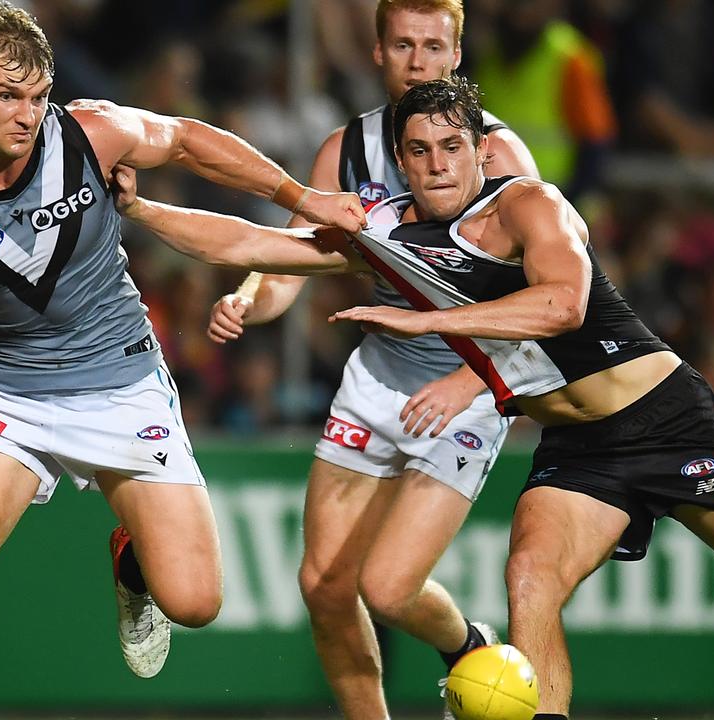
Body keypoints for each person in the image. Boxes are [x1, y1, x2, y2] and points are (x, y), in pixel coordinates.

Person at [111, 74, 714, 719]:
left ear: (481, 150)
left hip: (663, 417)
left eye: (454, 148)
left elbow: (565, 305)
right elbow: (253, 241)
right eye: (420, 152)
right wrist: (143, 211)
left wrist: (433, 337)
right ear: (400, 161)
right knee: (530, 584)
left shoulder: (529, 206)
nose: (439, 165)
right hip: (576, 448)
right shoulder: (393, 233)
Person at [0, 4, 364, 719]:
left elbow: (191, 142)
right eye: (7, 96)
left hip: (122, 380)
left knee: (194, 602)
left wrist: (303, 197)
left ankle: (133, 558)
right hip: (5, 398)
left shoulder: (88, 134)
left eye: (37, 98)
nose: (25, 116)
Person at [167, 2, 537, 718]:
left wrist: (477, 380)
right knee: (324, 585)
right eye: (404, 43)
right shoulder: (346, 151)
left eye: (434, 45)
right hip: (381, 371)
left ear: (457, 55)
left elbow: (547, 295)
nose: (419, 59)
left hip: (471, 378)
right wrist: (249, 301)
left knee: (389, 588)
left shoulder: (499, 155)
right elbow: (289, 261)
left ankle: (466, 642)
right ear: (377, 53)